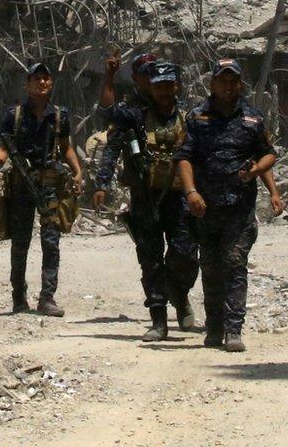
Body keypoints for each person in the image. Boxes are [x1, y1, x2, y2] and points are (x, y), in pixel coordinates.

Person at [93, 60, 200, 340]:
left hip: (178, 199)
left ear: (176, 86)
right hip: (145, 197)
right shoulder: (135, 116)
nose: (164, 91)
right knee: (150, 259)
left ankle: (179, 294)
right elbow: (107, 117)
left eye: (168, 85)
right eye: (158, 86)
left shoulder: (189, 119)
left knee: (186, 255)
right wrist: (102, 183)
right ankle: (158, 319)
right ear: (150, 88)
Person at [175, 59, 276, 352]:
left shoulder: (252, 119)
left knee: (234, 262)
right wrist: (191, 192)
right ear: (213, 84)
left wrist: (257, 172)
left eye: (233, 82)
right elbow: (183, 157)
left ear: (240, 85)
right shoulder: (197, 118)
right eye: (223, 81)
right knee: (210, 266)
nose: (228, 86)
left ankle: (234, 329)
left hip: (239, 207)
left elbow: (268, 154)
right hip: (206, 208)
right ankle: (214, 328)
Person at [0, 61, 84, 317]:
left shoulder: (59, 115)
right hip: (22, 184)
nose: (42, 82)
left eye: (46, 78)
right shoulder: (15, 115)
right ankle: (19, 297)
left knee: (51, 241)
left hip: (49, 184)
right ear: (28, 84)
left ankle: (47, 298)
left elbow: (65, 147)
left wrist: (77, 171)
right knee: (20, 241)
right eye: (37, 78)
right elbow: (4, 146)